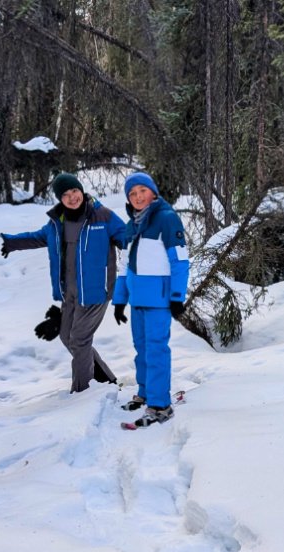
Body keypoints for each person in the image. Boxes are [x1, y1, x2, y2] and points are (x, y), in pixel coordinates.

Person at [0, 173, 128, 393]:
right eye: (65, 194)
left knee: (79, 340)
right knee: (67, 335)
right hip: (69, 292)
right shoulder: (57, 222)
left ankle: (83, 393)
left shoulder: (103, 215)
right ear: (60, 198)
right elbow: (37, 237)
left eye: (74, 191)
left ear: (81, 191)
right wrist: (12, 243)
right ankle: (104, 380)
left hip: (97, 290)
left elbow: (127, 238)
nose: (72, 197)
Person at [112, 172, 189, 428]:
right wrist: (120, 300)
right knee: (141, 349)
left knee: (156, 350)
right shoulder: (131, 225)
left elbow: (180, 261)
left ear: (153, 192)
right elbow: (125, 266)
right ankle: (144, 393)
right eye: (132, 194)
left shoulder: (166, 218)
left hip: (159, 300)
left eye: (142, 191)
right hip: (137, 300)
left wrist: (177, 297)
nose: (137, 197)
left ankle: (159, 405)